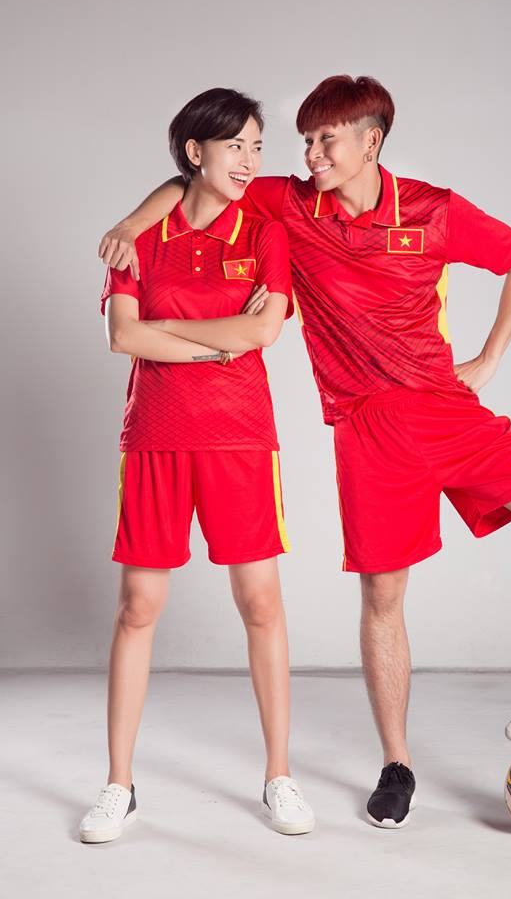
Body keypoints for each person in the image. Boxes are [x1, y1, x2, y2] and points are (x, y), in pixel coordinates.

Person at [98, 75, 511, 830]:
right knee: (383, 597)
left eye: (325, 140)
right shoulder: (288, 206)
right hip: (367, 428)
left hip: (444, 409)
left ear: (371, 142)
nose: (308, 155)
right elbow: (190, 181)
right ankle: (396, 765)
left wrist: (490, 356)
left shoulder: (433, 209)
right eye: (304, 140)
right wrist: (128, 220)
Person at [80, 87, 315, 843]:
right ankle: (119, 785)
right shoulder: (140, 238)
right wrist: (217, 343)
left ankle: (279, 775)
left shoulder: (266, 232)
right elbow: (123, 336)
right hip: (155, 436)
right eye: (235, 145)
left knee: (262, 604)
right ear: (195, 152)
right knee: (137, 608)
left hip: (240, 437)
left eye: (256, 146)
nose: (249, 160)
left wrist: (173, 330)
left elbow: (264, 332)